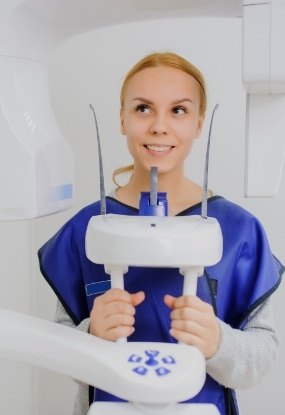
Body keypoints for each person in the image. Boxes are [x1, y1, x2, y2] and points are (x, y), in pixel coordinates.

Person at [38, 52, 284, 415]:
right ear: (122, 118)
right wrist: (90, 336)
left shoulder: (239, 231)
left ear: (200, 123)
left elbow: (262, 355)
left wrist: (218, 342)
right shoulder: (86, 229)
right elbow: (57, 348)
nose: (159, 126)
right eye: (143, 109)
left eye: (179, 111)